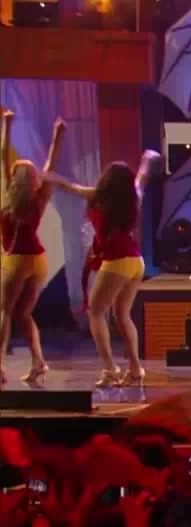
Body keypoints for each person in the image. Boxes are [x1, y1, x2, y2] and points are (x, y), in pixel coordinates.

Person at [47, 154, 158, 387]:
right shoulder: (134, 197)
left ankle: (109, 369)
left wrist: (52, 177)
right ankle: (135, 369)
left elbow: (71, 187)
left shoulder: (98, 196)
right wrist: (147, 160)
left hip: (117, 260)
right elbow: (142, 176)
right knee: (122, 315)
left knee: (96, 312)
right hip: (135, 261)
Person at [0, 111, 63, 385]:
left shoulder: (10, 198)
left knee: (5, 312)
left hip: (16, 260)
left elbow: (3, 155)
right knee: (23, 313)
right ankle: (39, 362)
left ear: (15, 178)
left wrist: (7, 125)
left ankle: (0, 365)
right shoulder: (39, 199)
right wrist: (57, 137)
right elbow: (50, 165)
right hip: (38, 260)